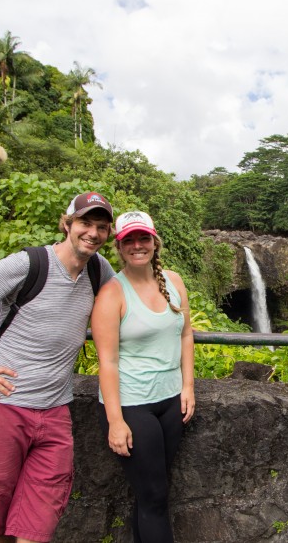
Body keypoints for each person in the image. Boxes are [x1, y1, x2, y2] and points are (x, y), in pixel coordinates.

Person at [0, 192, 116, 543]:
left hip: (55, 413)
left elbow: (127, 306)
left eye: (102, 227)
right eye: (85, 223)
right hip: (2, 408)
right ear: (67, 223)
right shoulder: (28, 264)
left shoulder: (98, 270)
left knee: (37, 525)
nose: (93, 233)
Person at [92, 210, 195, 543]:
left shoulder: (174, 281)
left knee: (153, 494)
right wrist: (115, 421)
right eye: (129, 240)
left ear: (154, 241)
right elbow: (106, 361)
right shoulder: (112, 293)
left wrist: (188, 386)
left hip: (171, 401)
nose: (138, 245)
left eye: (143, 238)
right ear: (119, 248)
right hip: (133, 405)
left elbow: (186, 335)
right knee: (154, 497)